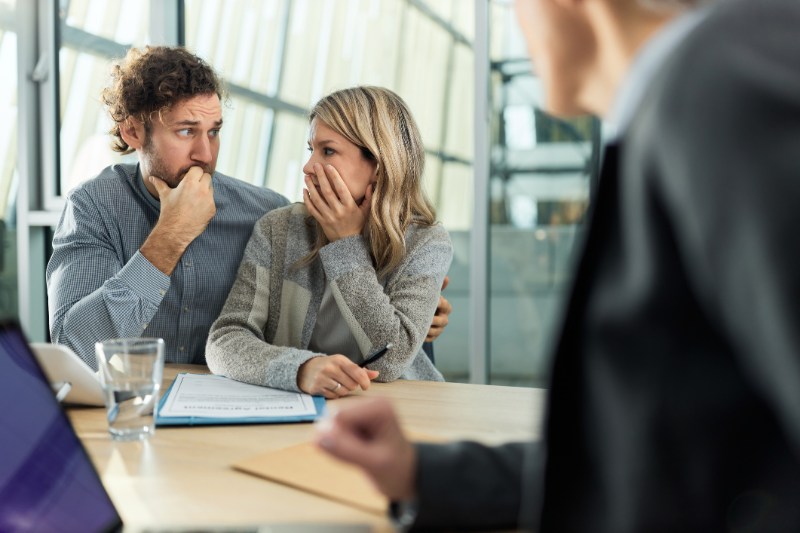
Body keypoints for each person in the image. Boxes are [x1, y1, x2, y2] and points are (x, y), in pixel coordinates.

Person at [316, 0, 800, 530]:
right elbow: (651, 458)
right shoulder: (671, 112)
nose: (520, 29)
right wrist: (421, 474)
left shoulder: (719, 82)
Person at [46, 47, 451, 370]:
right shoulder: (93, 208)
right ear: (133, 131)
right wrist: (168, 239)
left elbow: (388, 335)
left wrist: (417, 308)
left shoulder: (265, 212)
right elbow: (74, 352)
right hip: (134, 402)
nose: (205, 153)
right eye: (186, 131)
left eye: (215, 132)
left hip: (243, 408)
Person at [205, 87, 452, 398]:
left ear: (378, 163)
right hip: (302, 410)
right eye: (311, 149)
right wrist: (300, 369)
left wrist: (346, 243)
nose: (308, 167)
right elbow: (225, 339)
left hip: (402, 410)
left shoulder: (426, 243)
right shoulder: (278, 228)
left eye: (328, 151)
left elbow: (391, 358)